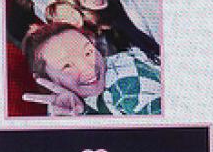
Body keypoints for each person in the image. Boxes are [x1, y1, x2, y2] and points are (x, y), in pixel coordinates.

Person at [21, 22, 161, 116]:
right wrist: (82, 114)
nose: (89, 69)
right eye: (67, 66)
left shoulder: (126, 81)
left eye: (88, 53)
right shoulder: (60, 107)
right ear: (46, 79)